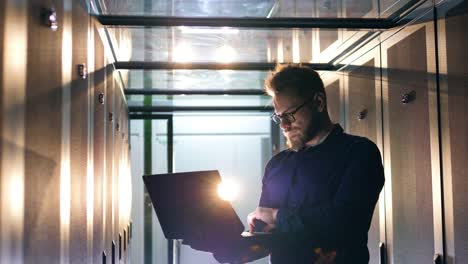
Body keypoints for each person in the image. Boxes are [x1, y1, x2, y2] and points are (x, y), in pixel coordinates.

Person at [245, 64, 385, 264]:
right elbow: (268, 230)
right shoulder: (277, 165)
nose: (284, 125)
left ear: (318, 102)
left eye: (289, 115)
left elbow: (344, 221)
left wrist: (277, 216)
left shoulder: (359, 153)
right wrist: (239, 242)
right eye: (279, 117)